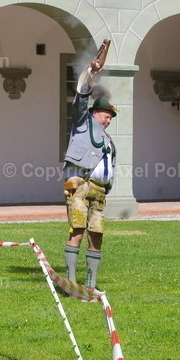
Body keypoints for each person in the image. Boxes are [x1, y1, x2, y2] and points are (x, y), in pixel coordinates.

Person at [62, 59, 116, 290]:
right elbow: (81, 97)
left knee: (97, 234)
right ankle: (71, 281)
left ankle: (91, 283)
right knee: (78, 231)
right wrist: (90, 73)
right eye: (106, 115)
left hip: (99, 190)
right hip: (80, 185)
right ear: (95, 113)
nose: (109, 119)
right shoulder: (82, 122)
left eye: (111, 116)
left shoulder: (108, 138)